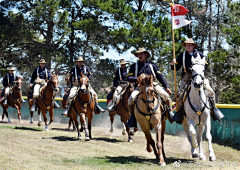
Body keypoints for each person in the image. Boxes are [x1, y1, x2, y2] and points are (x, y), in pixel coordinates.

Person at [171, 38, 224, 124]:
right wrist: (173, 64)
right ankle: (179, 114)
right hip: (187, 76)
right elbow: (176, 68)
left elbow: (206, 65)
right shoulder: (182, 55)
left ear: (193, 46)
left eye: (189, 45)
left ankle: (213, 111)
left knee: (211, 92)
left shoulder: (200, 54)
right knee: (180, 95)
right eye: (186, 45)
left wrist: (199, 70)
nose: (187, 46)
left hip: (199, 76)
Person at [126, 47, 174, 127]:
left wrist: (166, 86)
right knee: (130, 99)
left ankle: (170, 115)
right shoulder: (134, 66)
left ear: (146, 55)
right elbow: (128, 78)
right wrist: (137, 78)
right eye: (138, 54)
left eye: (141, 54)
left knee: (166, 97)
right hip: (140, 86)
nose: (139, 55)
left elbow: (160, 76)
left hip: (152, 85)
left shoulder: (152, 65)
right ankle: (132, 118)